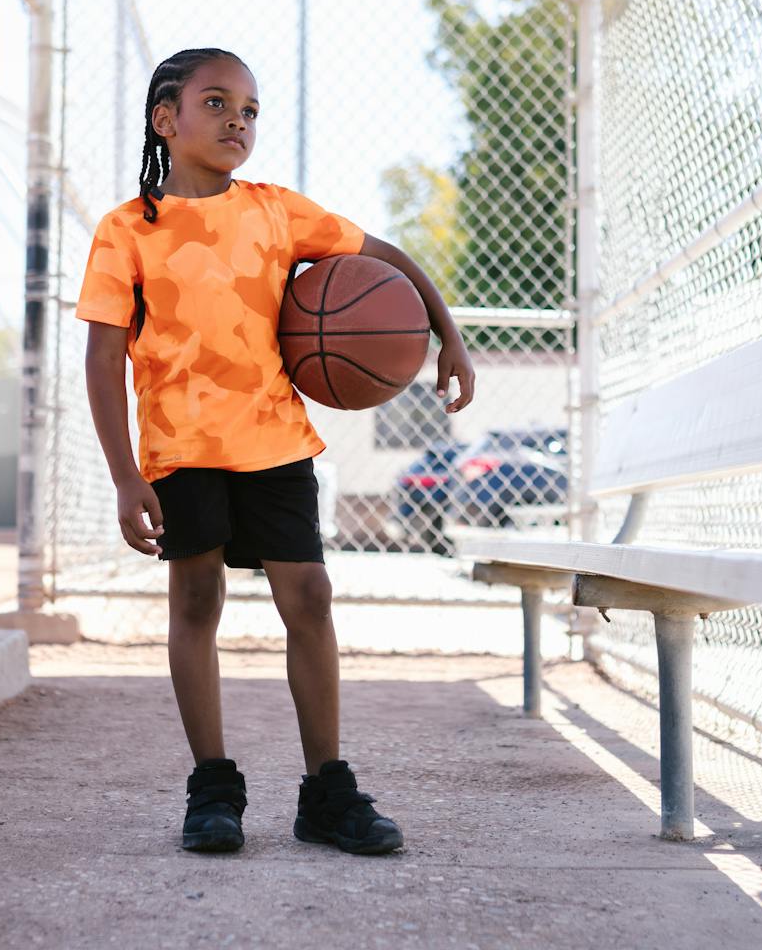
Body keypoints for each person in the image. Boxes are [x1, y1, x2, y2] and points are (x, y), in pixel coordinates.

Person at [76, 47, 476, 856]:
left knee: (311, 598)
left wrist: (449, 335)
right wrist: (125, 477)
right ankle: (213, 788)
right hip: (181, 447)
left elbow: (385, 258)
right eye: (218, 103)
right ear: (167, 119)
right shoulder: (128, 231)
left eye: (251, 110)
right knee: (195, 602)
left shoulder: (276, 211)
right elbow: (100, 357)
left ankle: (327, 792)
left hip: (276, 442)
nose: (238, 121)